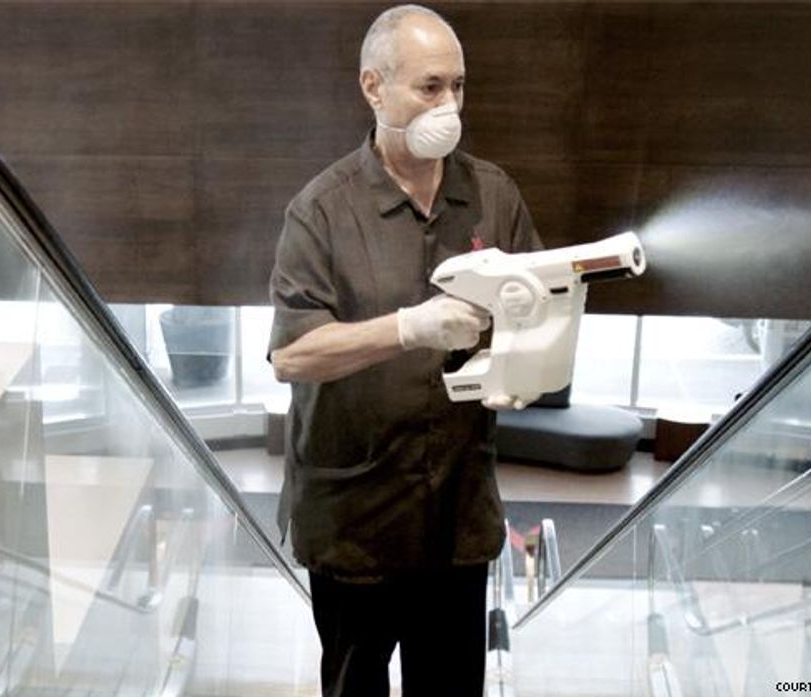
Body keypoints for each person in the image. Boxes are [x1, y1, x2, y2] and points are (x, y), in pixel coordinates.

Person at [267, 5, 542, 695]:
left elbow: (537, 309)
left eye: (458, 85)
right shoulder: (322, 211)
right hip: (354, 518)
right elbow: (292, 355)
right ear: (373, 87)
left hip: (455, 515)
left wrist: (524, 364)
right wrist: (408, 329)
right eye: (428, 87)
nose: (448, 105)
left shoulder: (491, 195)